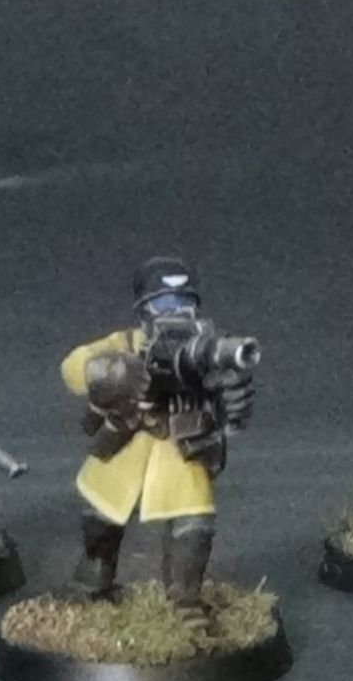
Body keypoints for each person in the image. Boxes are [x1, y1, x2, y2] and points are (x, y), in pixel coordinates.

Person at [58, 257, 256, 620]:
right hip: (127, 441)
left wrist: (231, 396)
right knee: (102, 515)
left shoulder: (205, 349)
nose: (175, 311)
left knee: (193, 524)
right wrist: (109, 371)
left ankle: (185, 601)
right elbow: (72, 368)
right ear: (144, 310)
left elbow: (228, 400)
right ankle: (93, 581)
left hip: (182, 448)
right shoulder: (125, 343)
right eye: (164, 303)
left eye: (184, 302)